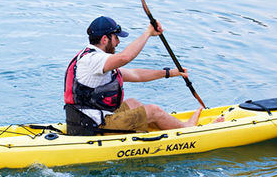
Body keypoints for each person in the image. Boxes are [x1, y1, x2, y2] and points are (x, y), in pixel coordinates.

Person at [64, 16, 203, 135]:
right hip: (93, 126)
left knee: (133, 103)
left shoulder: (95, 58)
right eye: (116, 37)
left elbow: (135, 74)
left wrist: (169, 73)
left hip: (90, 120)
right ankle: (187, 129)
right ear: (105, 39)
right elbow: (125, 57)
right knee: (154, 110)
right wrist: (148, 33)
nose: (118, 42)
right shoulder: (93, 60)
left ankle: (166, 128)